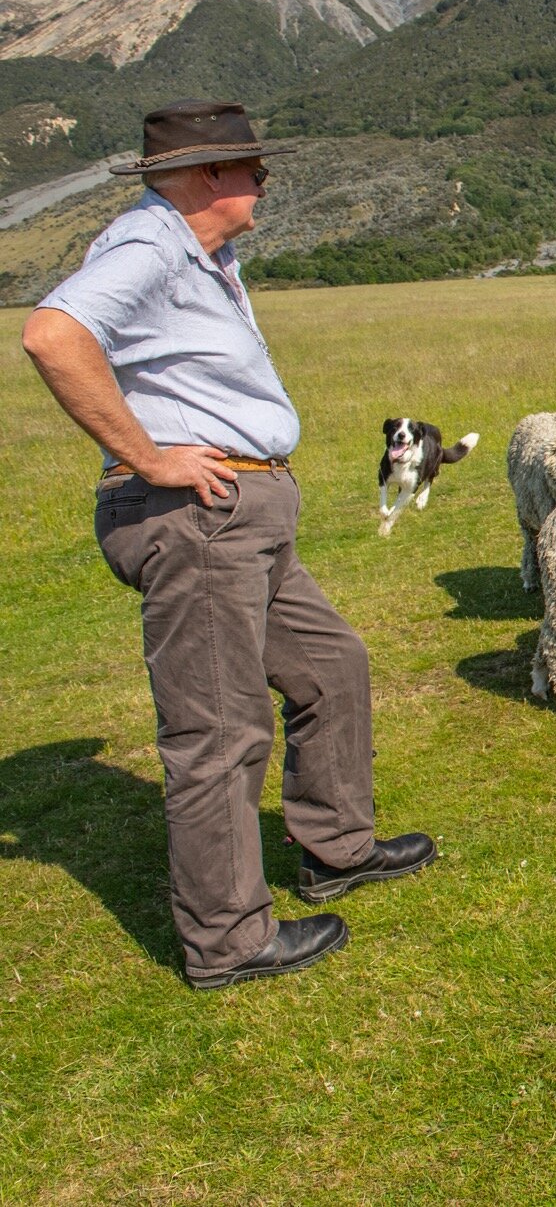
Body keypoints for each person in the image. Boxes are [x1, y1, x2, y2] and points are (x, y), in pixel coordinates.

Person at [20, 100, 434, 990]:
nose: (264, 181)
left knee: (333, 664)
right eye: (253, 167)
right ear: (209, 176)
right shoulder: (150, 246)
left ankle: (337, 846)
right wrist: (147, 455)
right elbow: (51, 334)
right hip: (199, 518)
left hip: (245, 513)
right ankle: (227, 938)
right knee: (218, 728)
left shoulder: (204, 253)